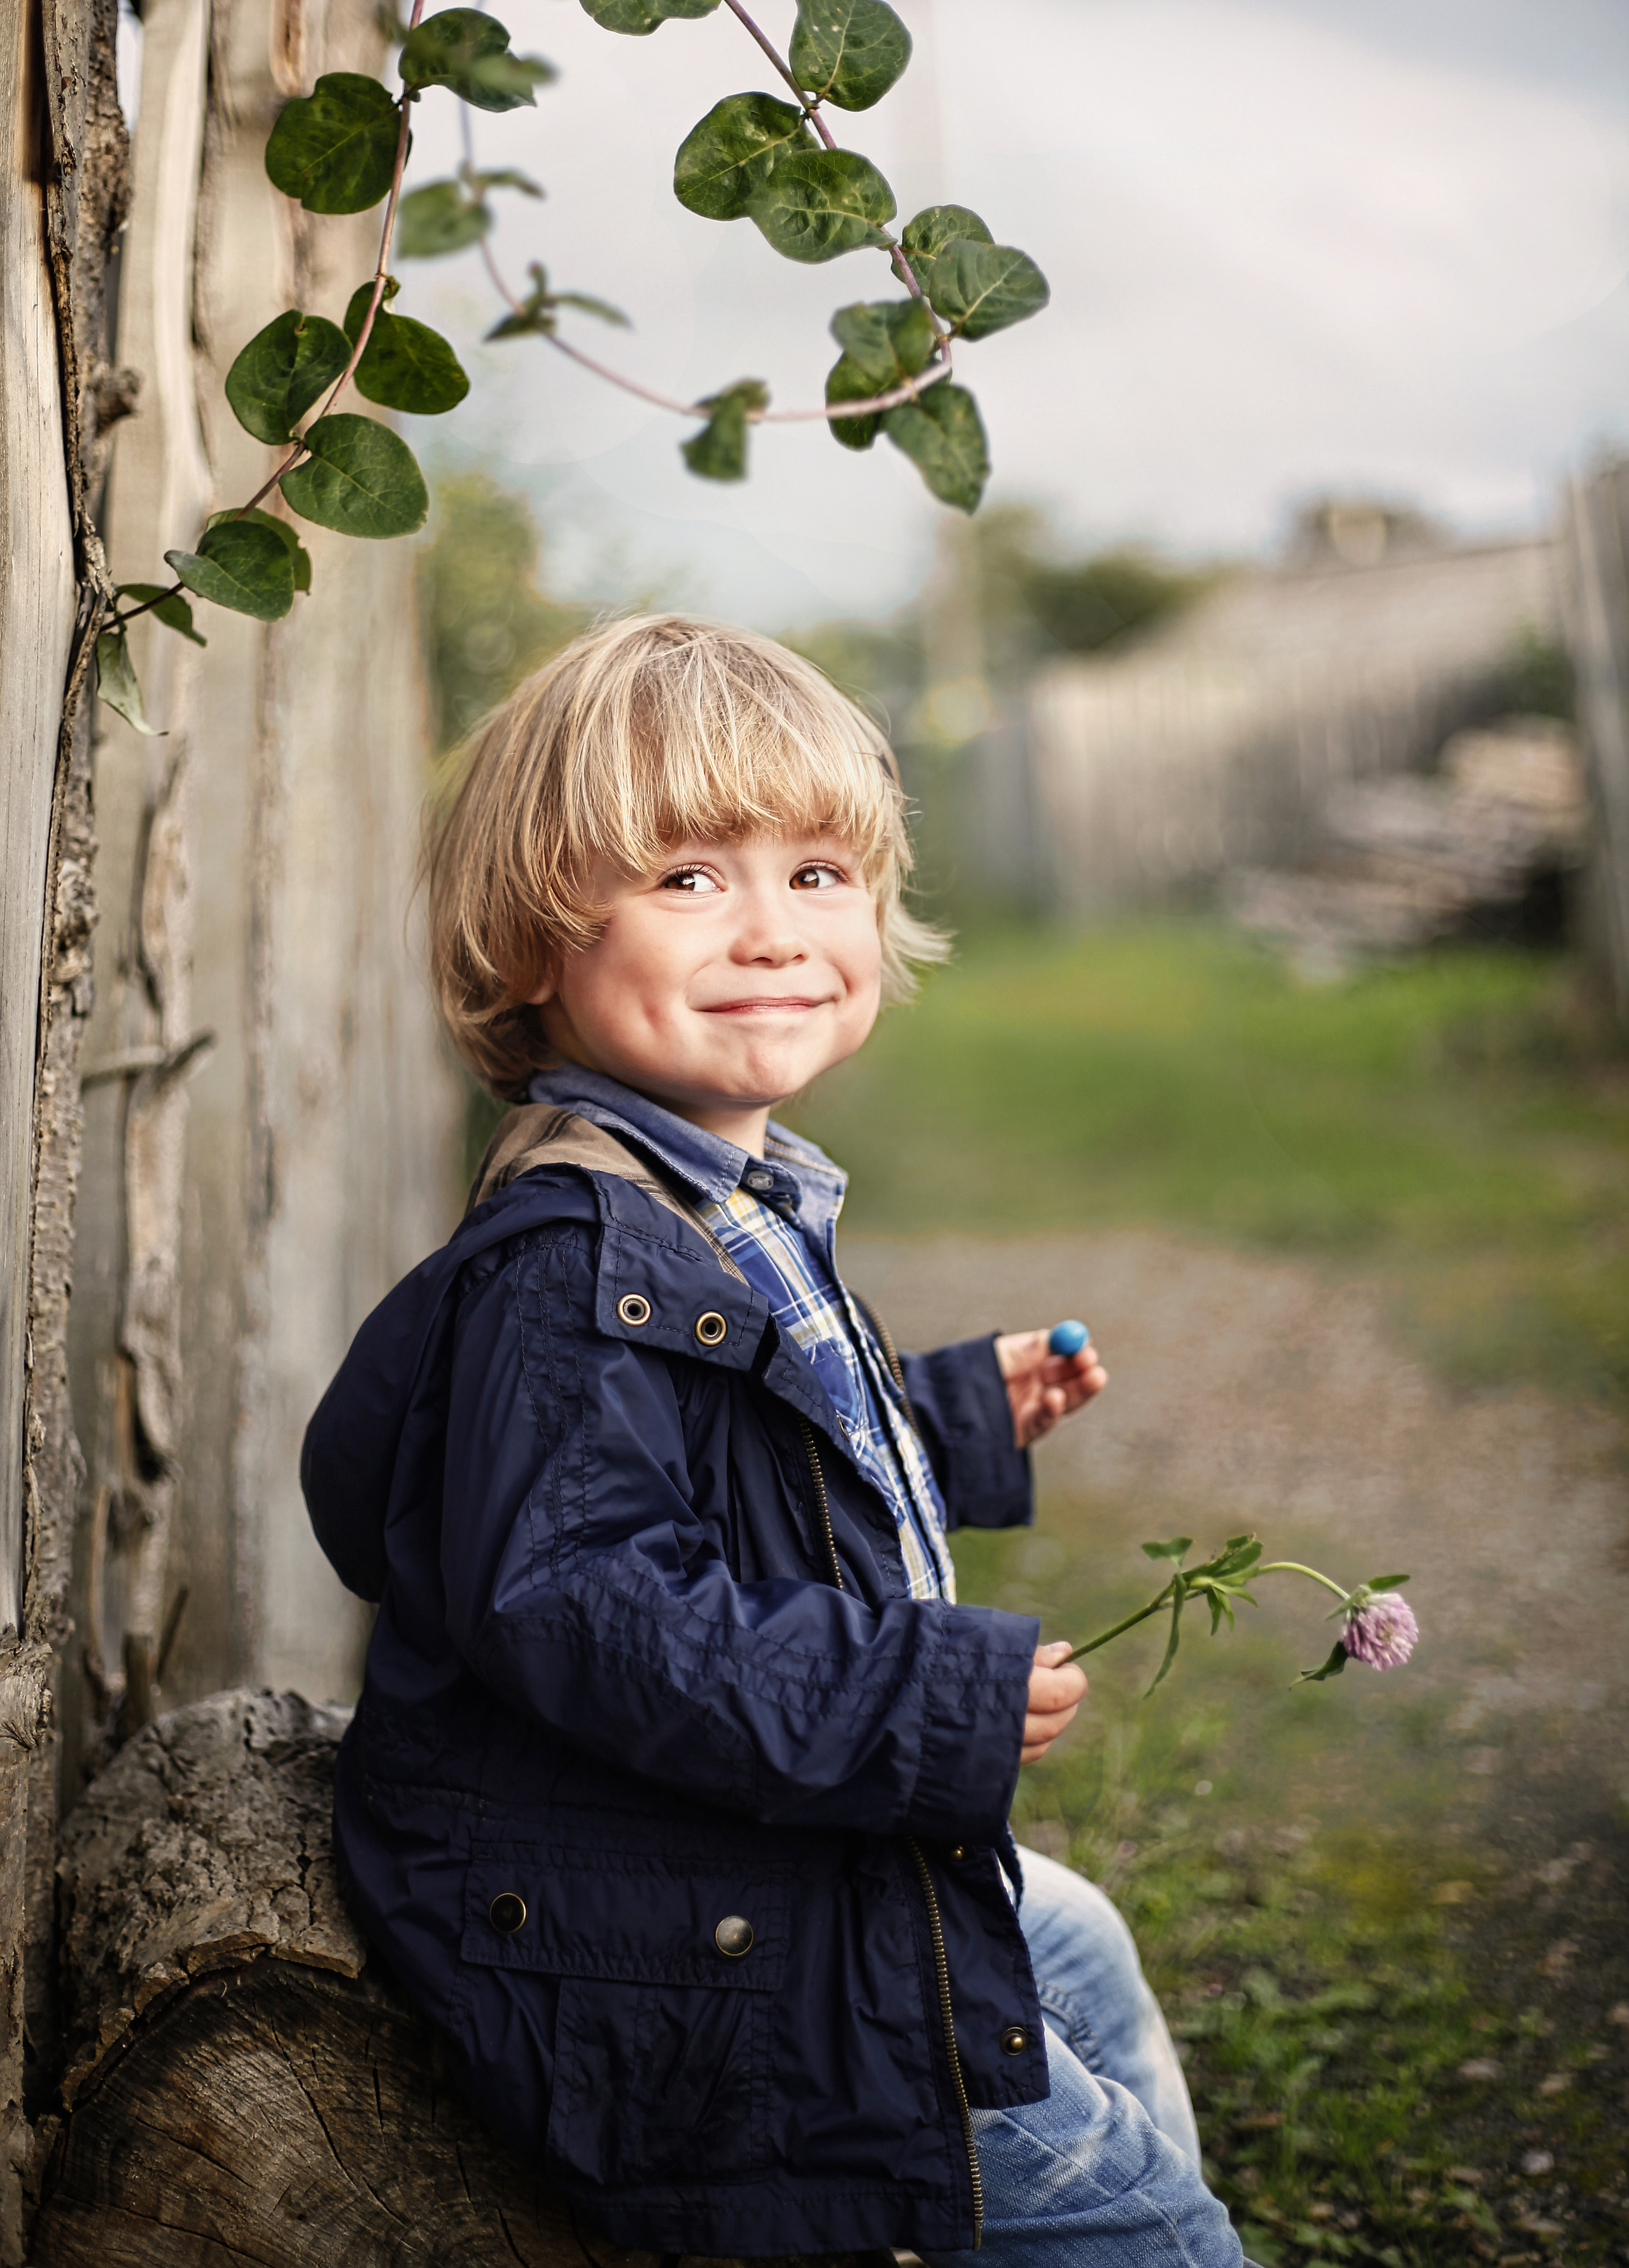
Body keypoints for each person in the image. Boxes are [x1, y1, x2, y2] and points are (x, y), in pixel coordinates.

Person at [302, 615, 1249, 2266]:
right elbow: (590, 1605)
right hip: (648, 1938)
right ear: (535, 942)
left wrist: (943, 1417)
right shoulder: (573, 1267)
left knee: (1072, 1944)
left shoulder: (712, 1198)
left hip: (687, 1874)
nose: (772, 930)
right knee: (1137, 2224)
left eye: (820, 875)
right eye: (688, 878)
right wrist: (914, 1694)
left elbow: (720, 1465)